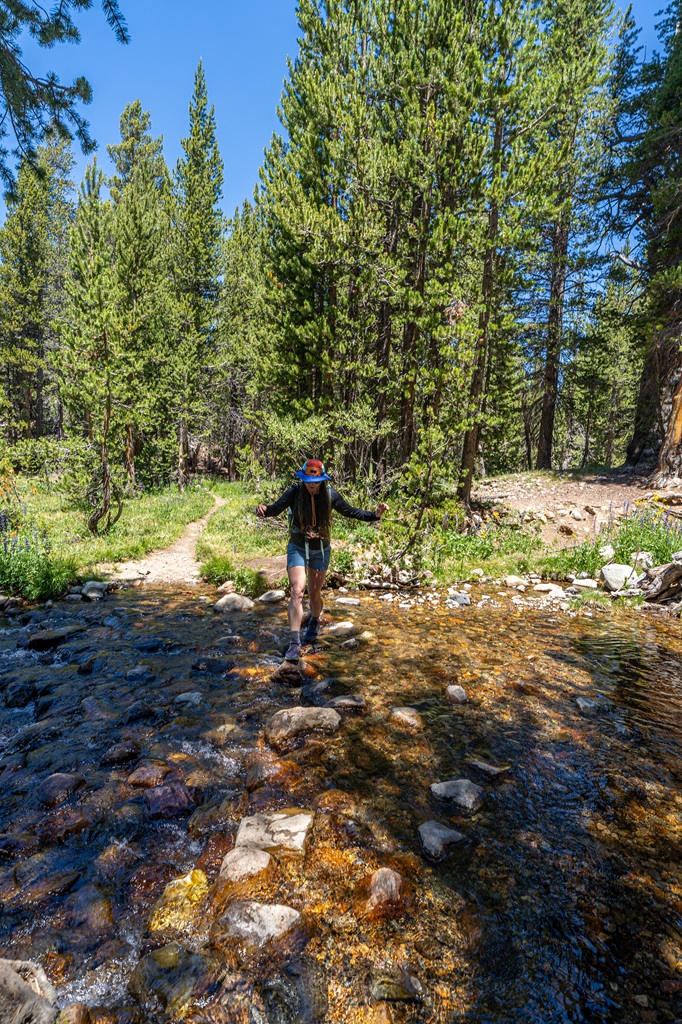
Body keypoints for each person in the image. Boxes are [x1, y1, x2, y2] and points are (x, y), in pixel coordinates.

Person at [256, 459, 388, 661]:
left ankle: (315, 620)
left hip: (321, 550)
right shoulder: (294, 492)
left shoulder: (329, 495)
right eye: (308, 480)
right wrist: (264, 510)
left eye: (315, 481)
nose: (311, 484)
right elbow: (275, 508)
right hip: (298, 546)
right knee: (297, 591)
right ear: (303, 478)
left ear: (322, 480)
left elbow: (350, 511)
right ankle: (294, 642)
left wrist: (374, 515)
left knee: (315, 593)